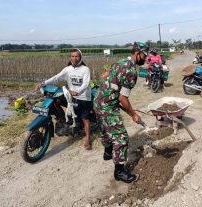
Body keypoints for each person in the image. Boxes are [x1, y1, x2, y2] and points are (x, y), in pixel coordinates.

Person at [94, 41, 149, 183]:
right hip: (108, 106)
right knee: (122, 138)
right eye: (145, 55)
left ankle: (107, 152)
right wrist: (133, 114)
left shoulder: (121, 62)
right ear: (138, 53)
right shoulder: (131, 71)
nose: (146, 58)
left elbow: (105, 76)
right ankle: (119, 172)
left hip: (98, 100)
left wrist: (112, 92)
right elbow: (122, 98)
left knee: (105, 129)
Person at [36, 48, 93, 150]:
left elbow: (86, 83)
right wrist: (43, 83)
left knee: (85, 118)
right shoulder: (67, 69)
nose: (74, 58)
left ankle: (88, 139)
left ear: (80, 57)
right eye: (72, 56)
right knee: (56, 100)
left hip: (83, 97)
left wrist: (78, 91)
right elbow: (57, 77)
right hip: (70, 96)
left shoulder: (85, 69)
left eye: (77, 56)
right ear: (70, 57)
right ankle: (61, 119)